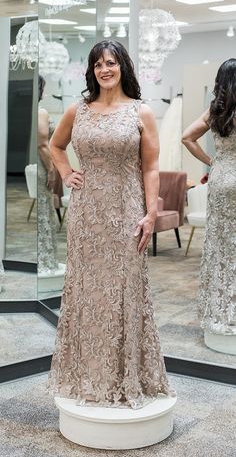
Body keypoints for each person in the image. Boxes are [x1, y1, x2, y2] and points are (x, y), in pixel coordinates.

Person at [48, 40, 173, 409]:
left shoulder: (141, 112)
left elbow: (150, 167)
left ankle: (126, 377)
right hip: (87, 215)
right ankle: (87, 376)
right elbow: (56, 146)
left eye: (111, 63)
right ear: (92, 70)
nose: (105, 69)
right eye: (99, 64)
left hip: (126, 212)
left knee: (124, 291)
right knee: (87, 292)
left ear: (123, 67)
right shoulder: (78, 110)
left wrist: (150, 213)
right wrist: (67, 172)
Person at [182, 58, 236, 335]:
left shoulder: (216, 110)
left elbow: (187, 137)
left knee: (221, 244)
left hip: (222, 177)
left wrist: (212, 161)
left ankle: (222, 308)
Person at [38, 75, 59, 273]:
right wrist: (52, 170)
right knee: (44, 209)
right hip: (40, 164)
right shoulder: (41, 112)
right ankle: (44, 259)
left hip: (30, 164)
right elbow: (42, 144)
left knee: (43, 209)